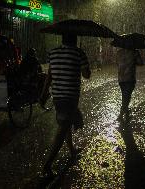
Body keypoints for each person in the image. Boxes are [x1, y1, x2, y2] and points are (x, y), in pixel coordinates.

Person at [39, 34, 91, 177]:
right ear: (75, 39)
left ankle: (71, 149)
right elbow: (87, 75)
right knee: (62, 130)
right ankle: (47, 165)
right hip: (71, 97)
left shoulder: (53, 53)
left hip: (58, 97)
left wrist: (43, 95)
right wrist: (85, 65)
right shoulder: (79, 53)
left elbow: (49, 76)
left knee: (65, 123)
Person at [116, 48, 144, 118]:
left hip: (121, 78)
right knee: (127, 95)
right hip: (130, 77)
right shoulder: (134, 52)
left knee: (125, 95)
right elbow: (140, 63)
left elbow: (117, 63)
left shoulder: (119, 52)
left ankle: (126, 111)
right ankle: (122, 112)